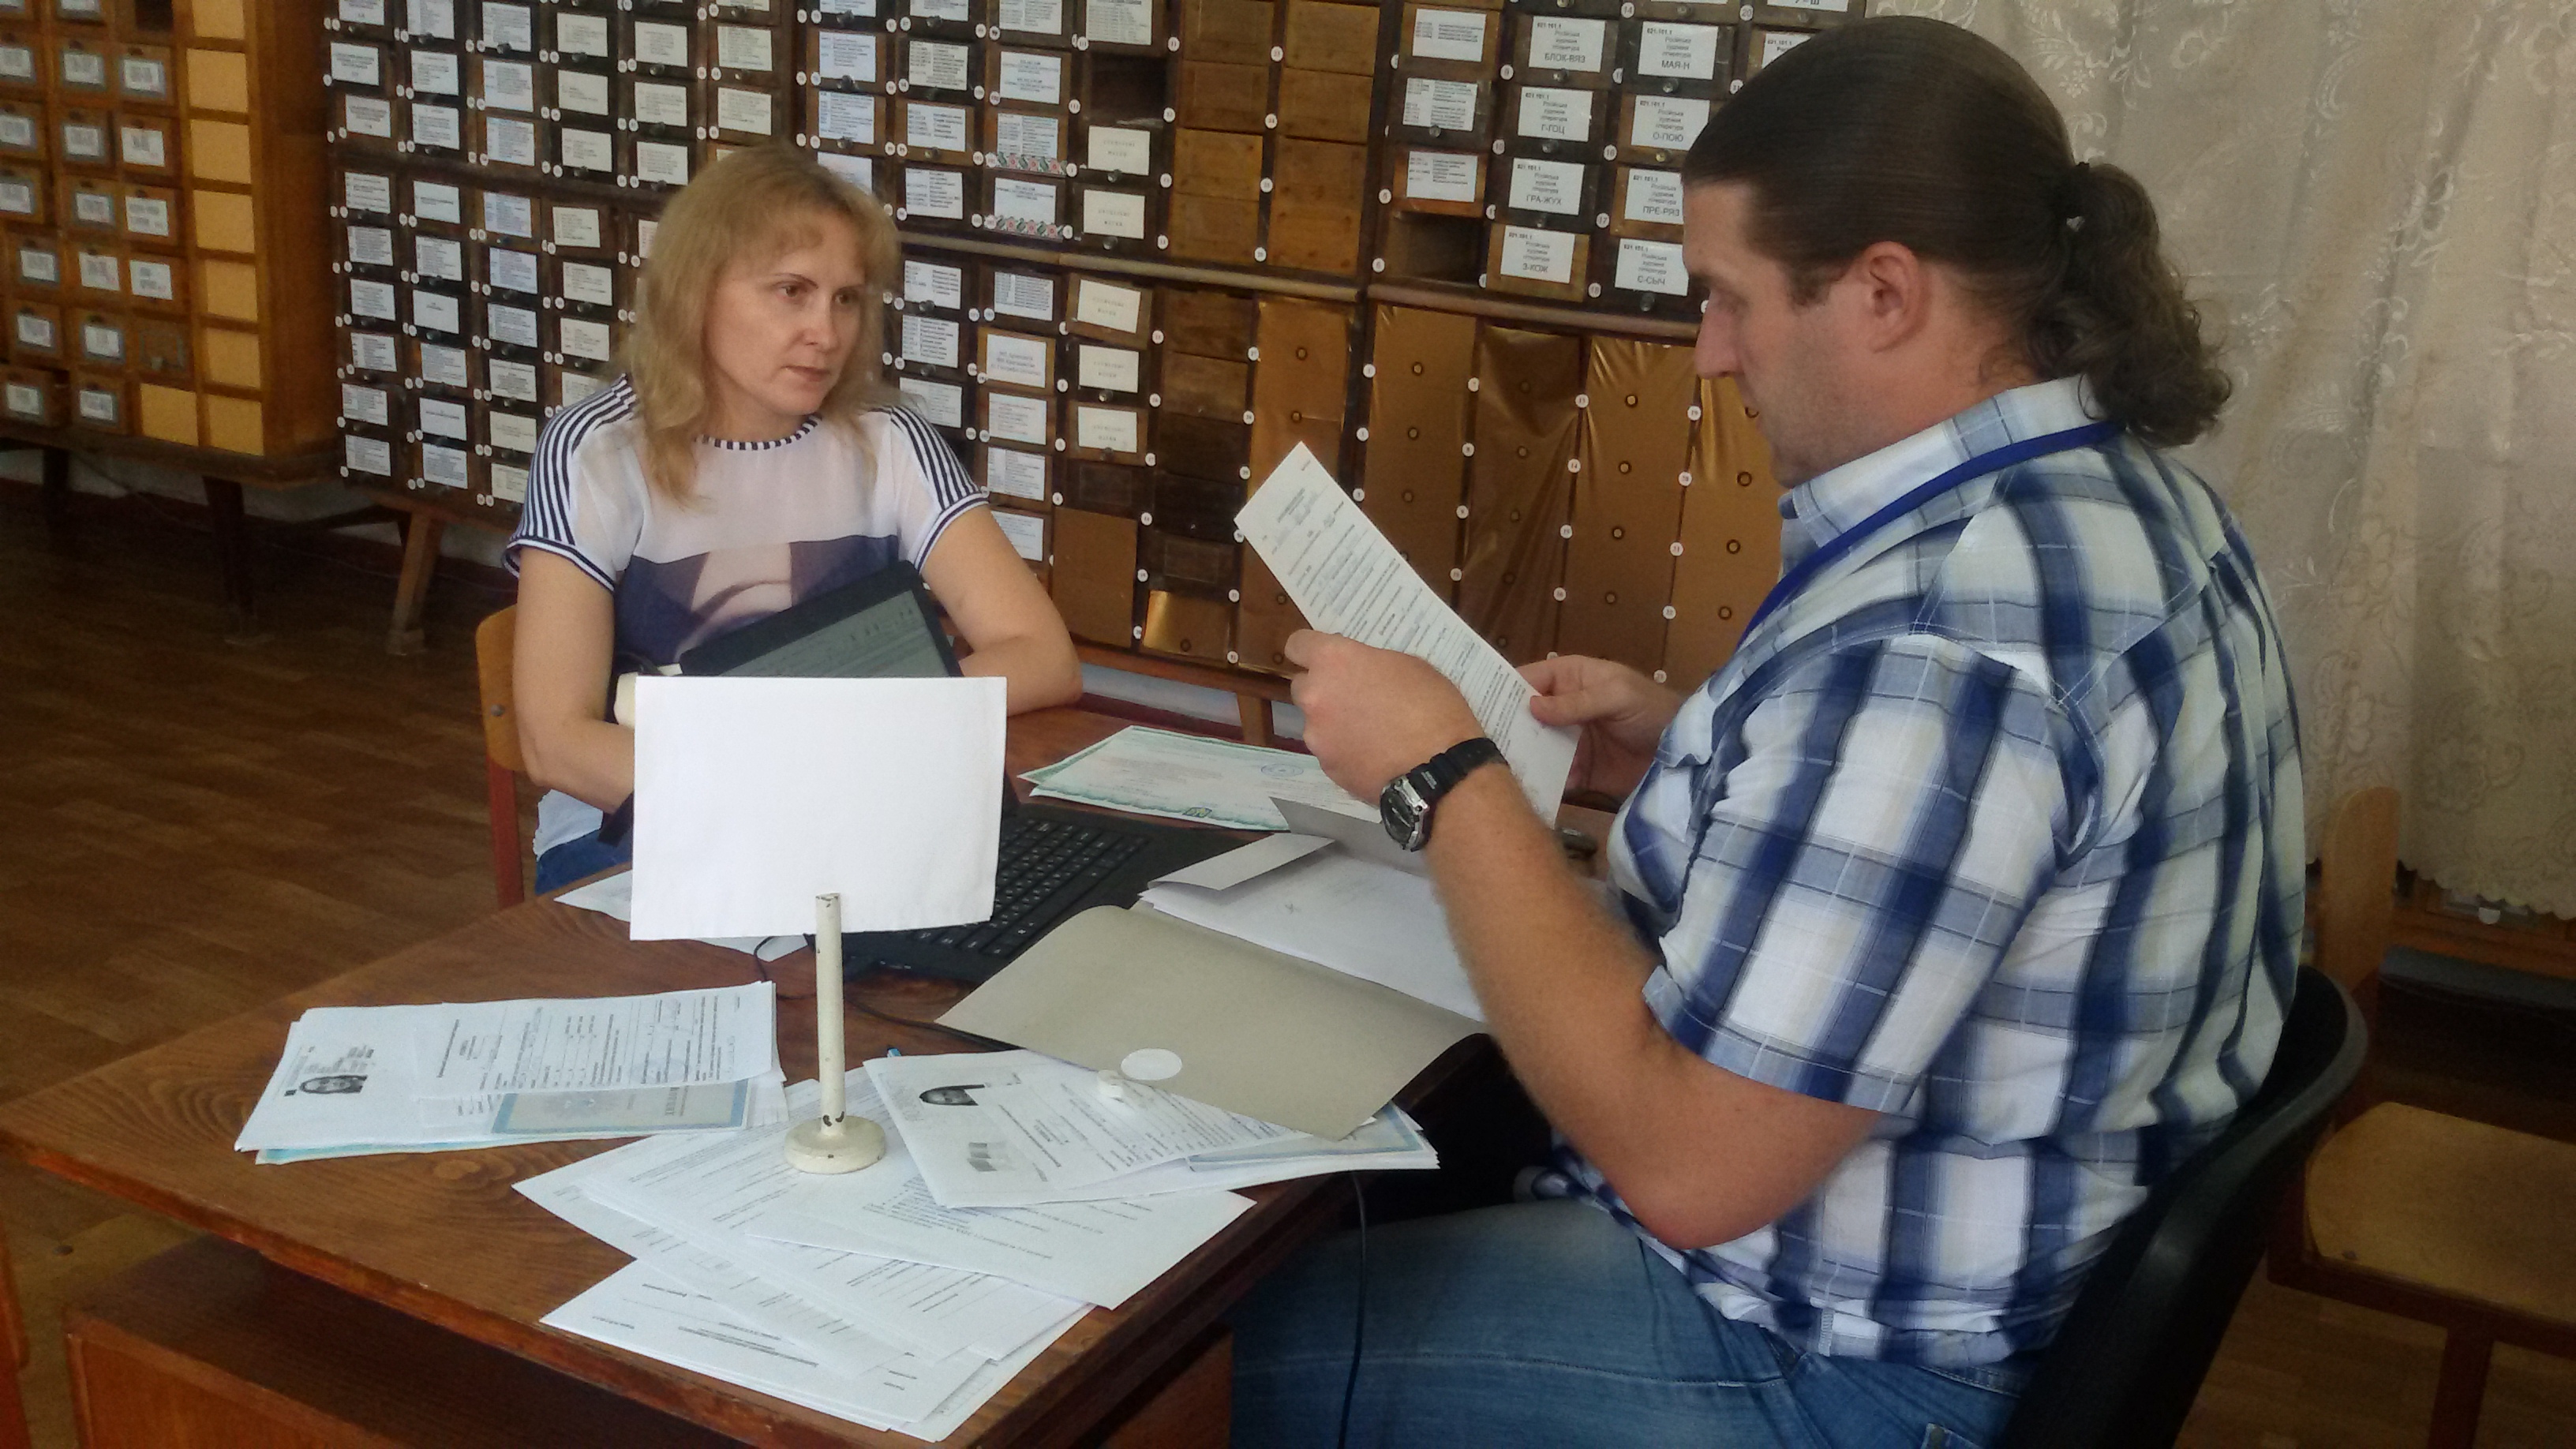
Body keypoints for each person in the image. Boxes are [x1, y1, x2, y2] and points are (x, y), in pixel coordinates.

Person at [1231, 17, 2303, 1449]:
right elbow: (1989, 819)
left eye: (1729, 299)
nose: (1707, 357)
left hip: (1840, 1372)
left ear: (1882, 292)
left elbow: (1691, 1167)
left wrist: (1446, 778)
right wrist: (1697, 743)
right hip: (1999, 1269)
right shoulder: (2118, 503)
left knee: (1228, 1346)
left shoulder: (1937, 653)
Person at [507, 147, 1080, 894]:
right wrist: (783, 784)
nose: (826, 332)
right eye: (791, 292)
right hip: (643, 822)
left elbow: (1042, 655)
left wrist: (838, 738)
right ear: (695, 293)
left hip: (851, 804)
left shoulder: (891, 440)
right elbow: (555, 741)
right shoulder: (596, 450)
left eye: (847, 299)